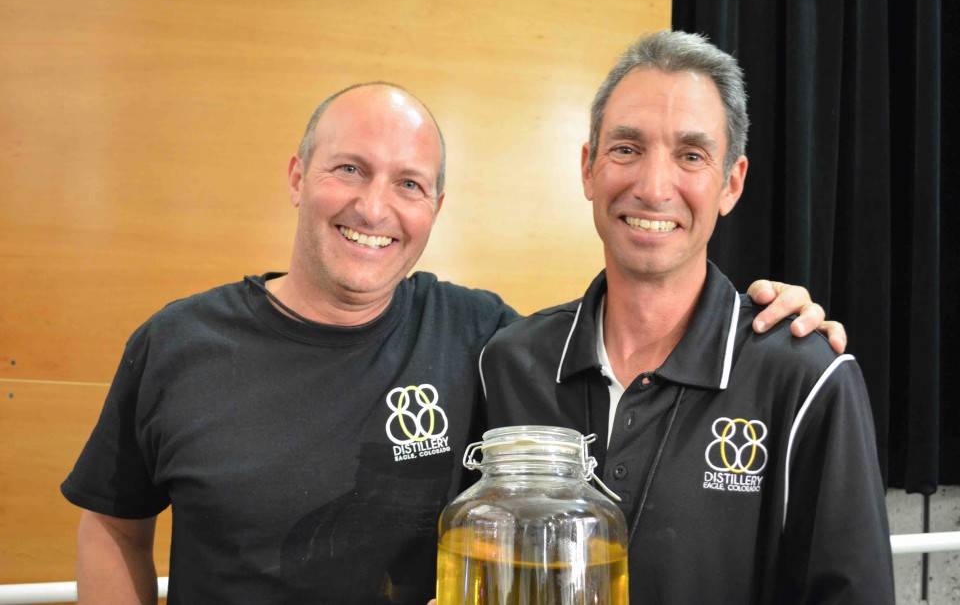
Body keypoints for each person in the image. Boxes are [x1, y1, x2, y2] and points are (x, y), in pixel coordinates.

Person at [62, 81, 845, 604]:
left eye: (408, 184)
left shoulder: (485, 341)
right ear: (298, 176)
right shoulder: (178, 344)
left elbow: (624, 334)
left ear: (435, 207)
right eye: (348, 170)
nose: (374, 207)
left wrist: (765, 322)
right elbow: (112, 523)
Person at [479, 31, 895, 604]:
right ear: (587, 169)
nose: (653, 188)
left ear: (731, 183)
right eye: (626, 148)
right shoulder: (508, 364)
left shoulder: (807, 379)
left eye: (691, 156)